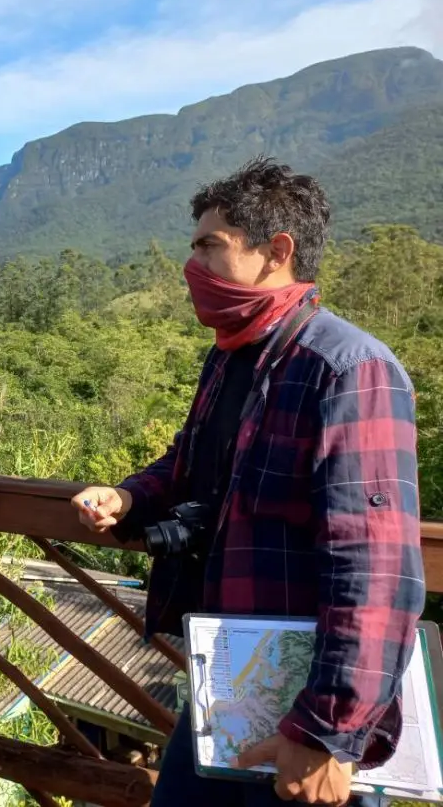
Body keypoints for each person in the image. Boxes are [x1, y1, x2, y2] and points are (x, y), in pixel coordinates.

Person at [71, 156, 425, 807]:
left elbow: (376, 569)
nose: (193, 266)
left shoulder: (348, 369)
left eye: (211, 245)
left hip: (304, 705)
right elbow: (189, 462)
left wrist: (325, 731)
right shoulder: (232, 356)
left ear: (277, 251)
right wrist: (126, 497)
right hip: (232, 680)